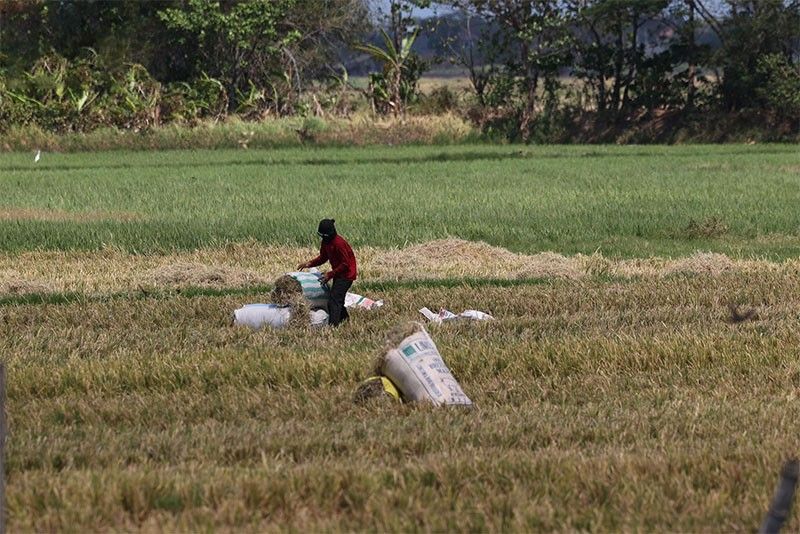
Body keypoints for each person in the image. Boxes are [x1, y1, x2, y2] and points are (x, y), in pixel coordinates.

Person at [297, 219, 357, 326]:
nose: (323, 238)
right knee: (337, 298)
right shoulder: (326, 242)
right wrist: (309, 264)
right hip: (338, 274)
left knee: (333, 301)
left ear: (330, 234)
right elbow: (323, 257)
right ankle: (345, 320)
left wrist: (330, 274)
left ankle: (333, 326)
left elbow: (345, 264)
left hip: (347, 275)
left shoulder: (339, 243)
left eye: (324, 236)